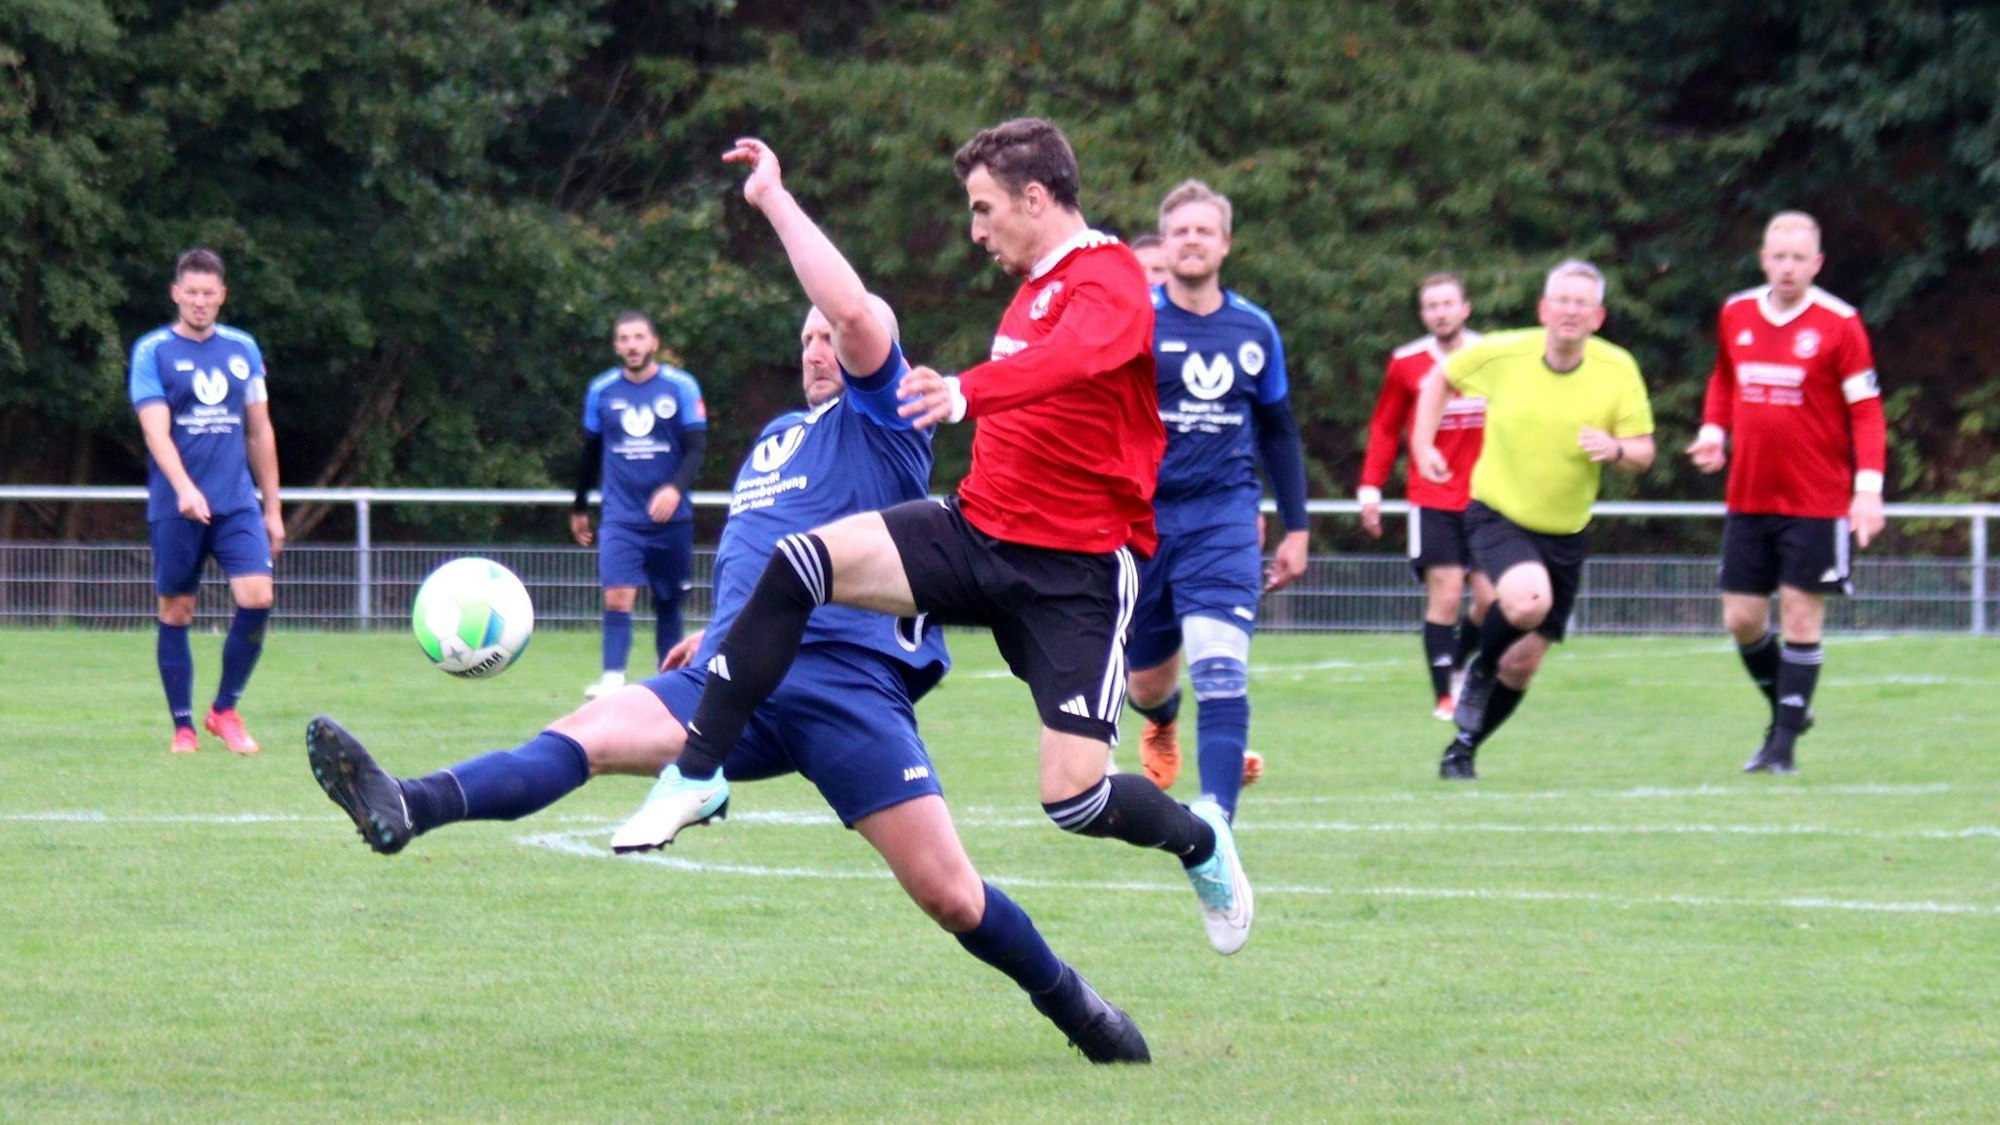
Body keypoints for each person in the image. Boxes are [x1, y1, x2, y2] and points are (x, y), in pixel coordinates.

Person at [305, 138, 1148, 1064]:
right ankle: (405, 804)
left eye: (830, 335)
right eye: (807, 341)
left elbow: (855, 306)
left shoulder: (883, 417)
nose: (820, 346)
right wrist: (718, 628)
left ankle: (1076, 1006)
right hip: (730, 681)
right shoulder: (778, 438)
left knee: (951, 894)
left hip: (848, 690)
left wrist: (776, 202)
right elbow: (763, 564)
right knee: (577, 739)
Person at [615, 117, 1252, 956]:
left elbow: (1080, 357)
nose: (976, 230)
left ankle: (1201, 843)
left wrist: (965, 392)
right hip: (977, 530)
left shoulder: (1113, 277)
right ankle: (696, 774)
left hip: (1078, 574)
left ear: (1034, 197)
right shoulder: (1031, 288)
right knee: (801, 561)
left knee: (1075, 800)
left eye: (985, 209)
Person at [1410, 259, 1655, 780]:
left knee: (1522, 665)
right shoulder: (1504, 352)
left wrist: (1613, 448)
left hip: (1566, 532)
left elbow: (1644, 452)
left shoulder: (1618, 369)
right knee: (1525, 600)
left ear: (1598, 316)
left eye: (1581, 303)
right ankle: (1476, 669)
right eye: (1561, 300)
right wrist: (1423, 443)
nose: (1570, 311)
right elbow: (1439, 379)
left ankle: (1465, 748)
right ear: (1544, 309)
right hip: (1497, 513)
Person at [1122, 179, 1309, 817]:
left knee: (1220, 667)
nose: (1192, 241)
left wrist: (1298, 526)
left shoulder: (1255, 328)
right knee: (1145, 683)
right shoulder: (1134, 323)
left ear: (1225, 244)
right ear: (1164, 245)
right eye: (1180, 231)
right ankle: (1163, 718)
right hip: (1142, 524)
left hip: (1224, 519)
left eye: (1204, 230)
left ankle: (1218, 824)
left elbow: (1280, 431)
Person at [1685, 211, 1887, 775]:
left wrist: (1866, 491)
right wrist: (1711, 431)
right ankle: (1791, 708)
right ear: (1763, 258)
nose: (1788, 267)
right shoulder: (1737, 312)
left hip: (1816, 501)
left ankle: (1782, 746)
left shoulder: (1840, 323)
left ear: (1817, 263)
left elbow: (1867, 412)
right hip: (1748, 495)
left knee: (1800, 618)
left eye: (1799, 258)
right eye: (1778, 256)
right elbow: (1724, 379)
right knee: (1742, 619)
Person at [128, 248, 284, 755]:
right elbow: (156, 431)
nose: (199, 301)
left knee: (258, 596)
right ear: (176, 294)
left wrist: (273, 508)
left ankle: (224, 710)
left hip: (236, 502)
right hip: (177, 505)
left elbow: (259, 432)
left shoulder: (243, 349)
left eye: (208, 293)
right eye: (190, 293)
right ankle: (183, 727)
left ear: (222, 295)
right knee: (177, 609)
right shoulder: (152, 351)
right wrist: (184, 488)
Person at [1357, 272, 1495, 720]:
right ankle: (1444, 697)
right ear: (1423, 314)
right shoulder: (1407, 362)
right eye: (1431, 306)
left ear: (1465, 308)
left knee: (1493, 600)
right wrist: (1370, 488)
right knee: (1448, 592)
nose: (1440, 312)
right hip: (1432, 497)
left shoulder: (1491, 357)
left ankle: (1457, 661)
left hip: (1488, 497)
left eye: (1448, 304)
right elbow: (1384, 427)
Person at [570, 313, 708, 700]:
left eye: (638, 337)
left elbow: (697, 449)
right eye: (624, 338)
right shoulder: (602, 390)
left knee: (668, 600)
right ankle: (613, 679)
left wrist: (675, 489)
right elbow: (590, 452)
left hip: (671, 518)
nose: (631, 345)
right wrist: (580, 505)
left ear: (653, 343)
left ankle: (670, 681)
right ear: (616, 346)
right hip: (621, 516)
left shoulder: (681, 386)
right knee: (617, 594)